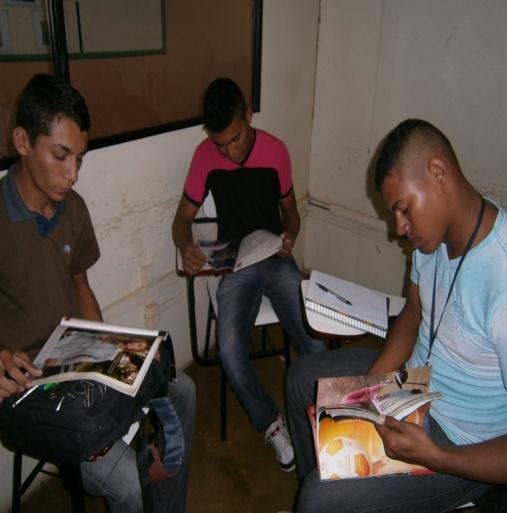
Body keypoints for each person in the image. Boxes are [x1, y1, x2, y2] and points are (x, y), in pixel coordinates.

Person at [286, 119, 507, 512]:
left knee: (317, 500)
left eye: (403, 210)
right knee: (303, 379)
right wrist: (368, 394)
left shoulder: (501, 277)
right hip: (411, 391)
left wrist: (434, 456)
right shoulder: (431, 244)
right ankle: (331, 475)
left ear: (438, 173)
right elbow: (412, 313)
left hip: (459, 445)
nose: (399, 229)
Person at [0, 74, 195, 513]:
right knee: (126, 482)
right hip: (27, 386)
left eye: (81, 159)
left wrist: (115, 363)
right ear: (22, 142)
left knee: (183, 391)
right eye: (61, 156)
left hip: (78, 356)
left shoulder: (74, 209)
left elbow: (80, 286)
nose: (73, 174)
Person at [172, 77, 326, 471]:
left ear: (249, 115)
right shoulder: (204, 155)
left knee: (314, 338)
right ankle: (271, 422)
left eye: (236, 139)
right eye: (220, 143)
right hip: (234, 265)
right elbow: (181, 219)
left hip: (275, 257)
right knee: (227, 350)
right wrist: (186, 246)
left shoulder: (275, 150)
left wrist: (290, 233)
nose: (229, 151)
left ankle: (326, 416)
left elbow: (290, 210)